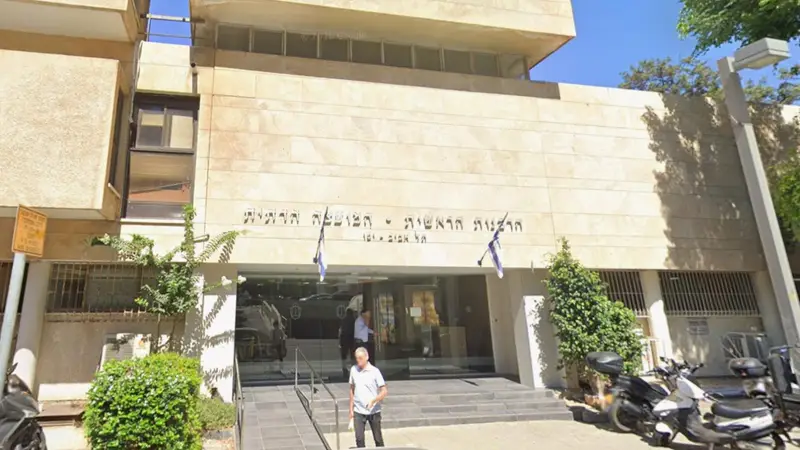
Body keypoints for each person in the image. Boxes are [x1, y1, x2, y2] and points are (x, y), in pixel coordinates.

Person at [349, 347, 387, 448]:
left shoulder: (375, 371)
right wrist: (351, 410)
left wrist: (374, 400)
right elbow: (352, 390)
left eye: (360, 358)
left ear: (367, 357)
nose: (358, 361)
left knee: (378, 438)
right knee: (359, 438)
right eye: (357, 358)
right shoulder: (353, 370)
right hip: (358, 410)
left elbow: (384, 391)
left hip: (373, 410)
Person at [339, 308, 356, 378]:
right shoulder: (354, 320)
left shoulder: (343, 320)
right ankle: (353, 369)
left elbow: (341, 331)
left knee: (344, 356)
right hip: (351, 339)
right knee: (352, 355)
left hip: (344, 339)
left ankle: (344, 369)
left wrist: (340, 341)